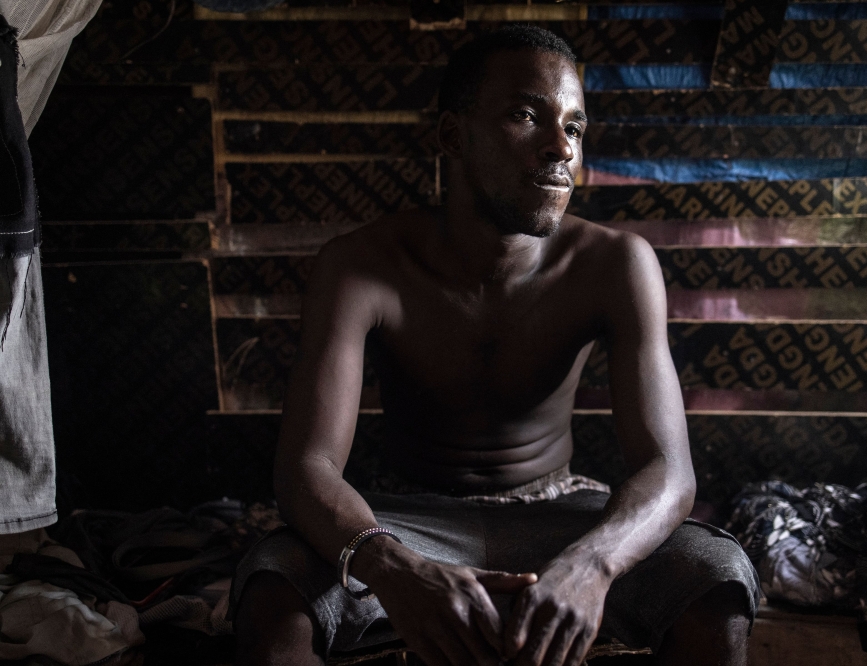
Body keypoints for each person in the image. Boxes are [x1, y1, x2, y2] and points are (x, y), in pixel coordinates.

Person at [231, 25, 759, 666]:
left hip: (561, 515)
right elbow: (305, 470)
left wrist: (592, 563)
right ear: (453, 136)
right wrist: (395, 568)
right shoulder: (361, 265)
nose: (560, 146)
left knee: (716, 577)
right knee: (272, 587)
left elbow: (669, 472)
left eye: (574, 126)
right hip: (407, 519)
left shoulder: (616, 264)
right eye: (525, 115)